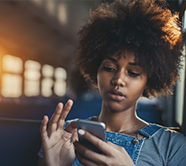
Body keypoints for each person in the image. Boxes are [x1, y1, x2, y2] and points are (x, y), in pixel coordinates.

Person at [38, 0, 186, 165]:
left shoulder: (172, 146)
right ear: (96, 69)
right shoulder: (63, 134)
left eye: (133, 73)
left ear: (149, 80)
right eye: (109, 68)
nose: (118, 80)